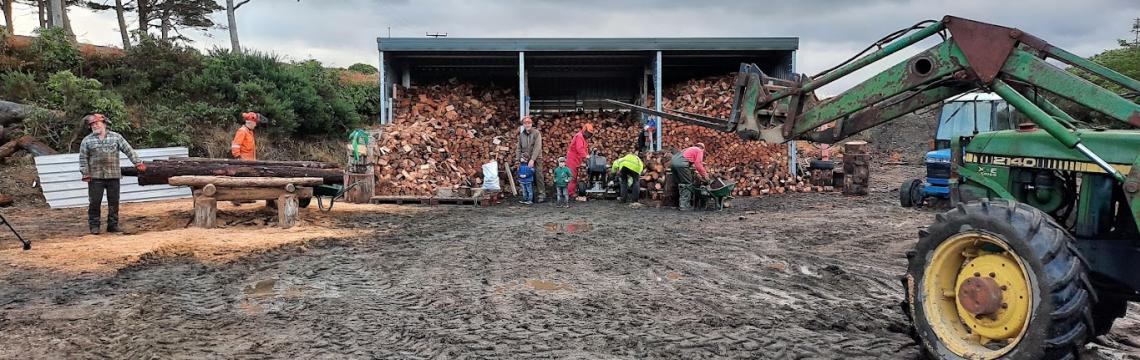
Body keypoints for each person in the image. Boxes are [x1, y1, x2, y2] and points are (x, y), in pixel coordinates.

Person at [79, 114, 146, 235]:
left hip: (113, 175)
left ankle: (113, 225)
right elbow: (83, 158)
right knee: (94, 202)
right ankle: (94, 226)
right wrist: (85, 173)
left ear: (104, 124)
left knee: (114, 202)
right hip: (95, 177)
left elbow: (128, 150)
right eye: (92, 124)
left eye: (97, 123)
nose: (95, 126)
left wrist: (137, 163)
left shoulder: (116, 137)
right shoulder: (87, 141)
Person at [671, 143, 710, 211]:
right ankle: (684, 206)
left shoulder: (688, 149)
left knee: (680, 184)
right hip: (681, 164)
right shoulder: (699, 150)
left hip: (673, 163)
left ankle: (677, 203)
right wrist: (705, 175)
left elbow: (690, 161)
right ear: (703, 148)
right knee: (687, 184)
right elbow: (698, 165)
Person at [517, 116, 545, 202]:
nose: (527, 124)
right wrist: (519, 159)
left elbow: (538, 147)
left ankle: (541, 195)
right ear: (523, 125)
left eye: (529, 123)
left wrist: (533, 159)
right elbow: (518, 148)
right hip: (525, 159)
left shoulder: (536, 133)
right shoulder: (521, 135)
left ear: (531, 124)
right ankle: (530, 196)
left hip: (537, 158)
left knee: (538, 175)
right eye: (525, 123)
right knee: (527, 177)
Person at [565, 122, 593, 198]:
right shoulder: (579, 136)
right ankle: (570, 193)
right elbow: (580, 149)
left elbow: (585, 149)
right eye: (588, 133)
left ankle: (571, 192)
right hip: (572, 159)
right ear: (584, 130)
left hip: (577, 160)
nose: (588, 135)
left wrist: (588, 156)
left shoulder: (584, 138)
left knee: (574, 177)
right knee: (572, 177)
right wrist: (586, 156)